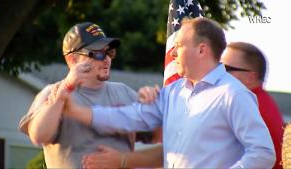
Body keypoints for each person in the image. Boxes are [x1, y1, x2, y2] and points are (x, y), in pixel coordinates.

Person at [57, 17, 276, 168]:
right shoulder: (173, 92)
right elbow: (131, 117)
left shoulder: (233, 94)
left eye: (179, 45)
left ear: (201, 50)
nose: (172, 52)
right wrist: (77, 112)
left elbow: (263, 154)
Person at [18, 22, 158, 168]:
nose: (107, 59)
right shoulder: (51, 92)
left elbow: (163, 135)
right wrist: (62, 94)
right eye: (98, 53)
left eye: (109, 52)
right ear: (73, 60)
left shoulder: (125, 93)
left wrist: (152, 101)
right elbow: (39, 136)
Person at [221, 42, 284, 169]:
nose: (218, 72)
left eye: (226, 68)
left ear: (250, 77)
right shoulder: (260, 102)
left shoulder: (251, 106)